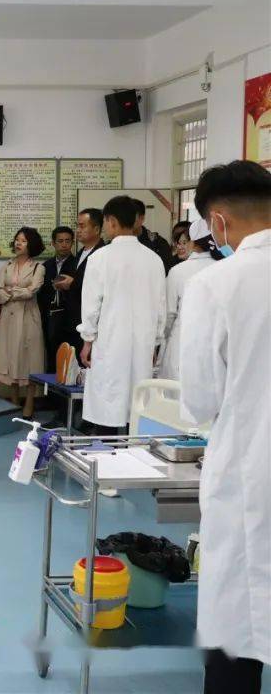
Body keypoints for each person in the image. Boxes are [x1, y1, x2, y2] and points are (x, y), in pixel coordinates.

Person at [179, 160, 270, 694]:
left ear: (217, 221)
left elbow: (199, 399)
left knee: (239, 622)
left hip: (250, 469)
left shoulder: (216, 283)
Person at [77, 196, 166, 435]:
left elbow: (91, 306)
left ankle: (105, 450)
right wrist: (156, 343)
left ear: (112, 221)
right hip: (143, 343)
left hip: (110, 341)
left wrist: (87, 340)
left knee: (108, 402)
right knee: (137, 406)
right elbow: (161, 307)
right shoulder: (154, 259)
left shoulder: (99, 258)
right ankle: (133, 451)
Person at [0, 227, 46, 417]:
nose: (18, 243)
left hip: (29, 317)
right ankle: (14, 401)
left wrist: (10, 291)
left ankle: (29, 402)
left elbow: (31, 291)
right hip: (8, 316)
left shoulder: (38, 267)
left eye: (23, 240)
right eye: (17, 239)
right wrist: (11, 292)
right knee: (10, 357)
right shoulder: (7, 265)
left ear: (32, 244)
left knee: (30, 360)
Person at [158, 218, 216, 381]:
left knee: (175, 392)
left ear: (193, 242)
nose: (181, 246)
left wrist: (160, 341)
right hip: (212, 345)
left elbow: (168, 315)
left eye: (185, 241)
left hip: (181, 344)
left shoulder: (178, 272)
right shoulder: (223, 267)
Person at [56, 207, 107, 351]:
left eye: (82, 226)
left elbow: (100, 288)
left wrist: (73, 284)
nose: (77, 230)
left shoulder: (103, 254)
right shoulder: (80, 253)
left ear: (96, 229)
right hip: (74, 321)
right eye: (77, 226)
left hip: (92, 325)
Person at [37, 226, 77, 372]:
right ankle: (50, 387)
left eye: (67, 241)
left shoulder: (77, 264)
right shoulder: (45, 266)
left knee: (69, 360)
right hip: (49, 319)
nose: (64, 244)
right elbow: (41, 295)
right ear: (53, 243)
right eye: (60, 241)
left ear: (72, 243)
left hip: (70, 319)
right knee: (51, 357)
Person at [133, 198, 174, 272]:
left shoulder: (158, 244)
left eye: (130, 217)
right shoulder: (115, 243)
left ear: (142, 218)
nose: (126, 221)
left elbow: (166, 271)